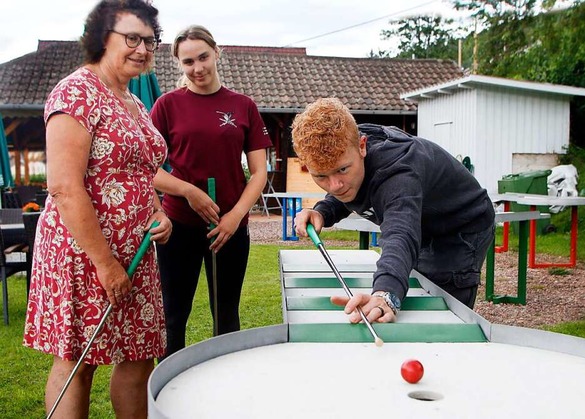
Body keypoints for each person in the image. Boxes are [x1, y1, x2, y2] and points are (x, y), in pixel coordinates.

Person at [22, 1, 172, 417]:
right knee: (78, 360)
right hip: (85, 253)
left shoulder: (135, 103)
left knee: (139, 356)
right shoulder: (75, 92)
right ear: (101, 38)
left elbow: (140, 173)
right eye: (132, 38)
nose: (143, 48)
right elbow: (64, 187)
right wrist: (105, 264)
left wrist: (158, 213)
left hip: (137, 253)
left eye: (150, 40)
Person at [292, 98, 495, 323]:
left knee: (442, 310)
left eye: (342, 169)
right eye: (321, 176)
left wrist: (385, 293)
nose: (334, 185)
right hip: (423, 222)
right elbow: (345, 192)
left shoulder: (398, 173)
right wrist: (323, 211)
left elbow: (401, 233)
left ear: (362, 146)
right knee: (414, 279)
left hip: (463, 225)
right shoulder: (347, 158)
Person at [150, 25, 272, 359]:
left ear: (217, 53)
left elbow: (260, 172)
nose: (198, 67)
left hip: (228, 228)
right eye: (188, 62)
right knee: (173, 318)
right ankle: (170, 398)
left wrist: (235, 217)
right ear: (179, 64)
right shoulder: (166, 106)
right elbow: (150, 169)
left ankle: (223, 394)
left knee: (226, 318)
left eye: (203, 57)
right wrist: (188, 190)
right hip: (178, 227)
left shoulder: (243, 105)